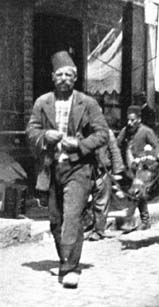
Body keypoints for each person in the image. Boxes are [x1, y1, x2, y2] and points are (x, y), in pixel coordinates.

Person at [26, 50, 109, 288]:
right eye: (60, 74)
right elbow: (31, 131)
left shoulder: (88, 103)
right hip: (51, 168)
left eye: (69, 75)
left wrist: (81, 144)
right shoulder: (42, 103)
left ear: (75, 78)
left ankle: (69, 268)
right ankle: (65, 255)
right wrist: (44, 135)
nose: (64, 78)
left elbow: (103, 133)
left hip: (79, 168)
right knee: (55, 220)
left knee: (72, 217)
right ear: (53, 77)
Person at [117, 105, 159, 231]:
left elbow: (157, 148)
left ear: (139, 119)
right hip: (131, 168)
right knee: (138, 195)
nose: (130, 123)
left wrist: (146, 157)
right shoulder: (126, 130)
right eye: (128, 120)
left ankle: (128, 221)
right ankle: (145, 221)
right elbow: (117, 144)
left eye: (133, 120)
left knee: (134, 193)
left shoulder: (147, 131)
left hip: (143, 168)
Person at [85, 128, 125, 241]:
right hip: (85, 172)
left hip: (102, 171)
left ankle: (99, 230)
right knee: (83, 200)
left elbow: (115, 151)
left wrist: (117, 172)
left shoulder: (108, 133)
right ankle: (88, 225)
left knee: (101, 201)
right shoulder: (83, 131)